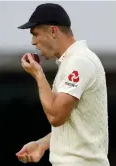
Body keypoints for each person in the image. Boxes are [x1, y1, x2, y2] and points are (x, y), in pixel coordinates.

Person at [16, 3, 110, 166]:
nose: (33, 42)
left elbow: (56, 116)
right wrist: (41, 144)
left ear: (53, 31)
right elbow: (75, 125)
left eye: (35, 34)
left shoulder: (79, 61)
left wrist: (39, 75)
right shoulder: (72, 61)